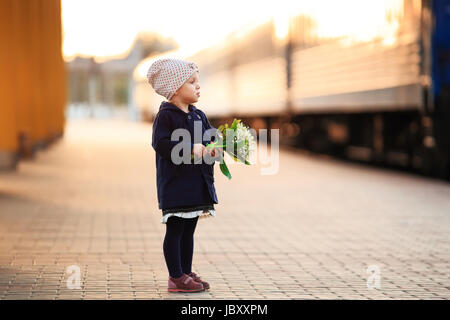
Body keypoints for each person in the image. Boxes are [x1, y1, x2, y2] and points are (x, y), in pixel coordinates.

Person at [147, 58, 223, 292]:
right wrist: (189, 148)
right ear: (175, 88)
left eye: (197, 81)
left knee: (189, 228)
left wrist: (217, 147)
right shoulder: (166, 116)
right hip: (176, 184)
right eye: (192, 82)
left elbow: (211, 138)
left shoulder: (198, 115)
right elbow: (160, 143)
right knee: (176, 228)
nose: (198, 86)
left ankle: (185, 271)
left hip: (195, 183)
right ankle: (175, 276)